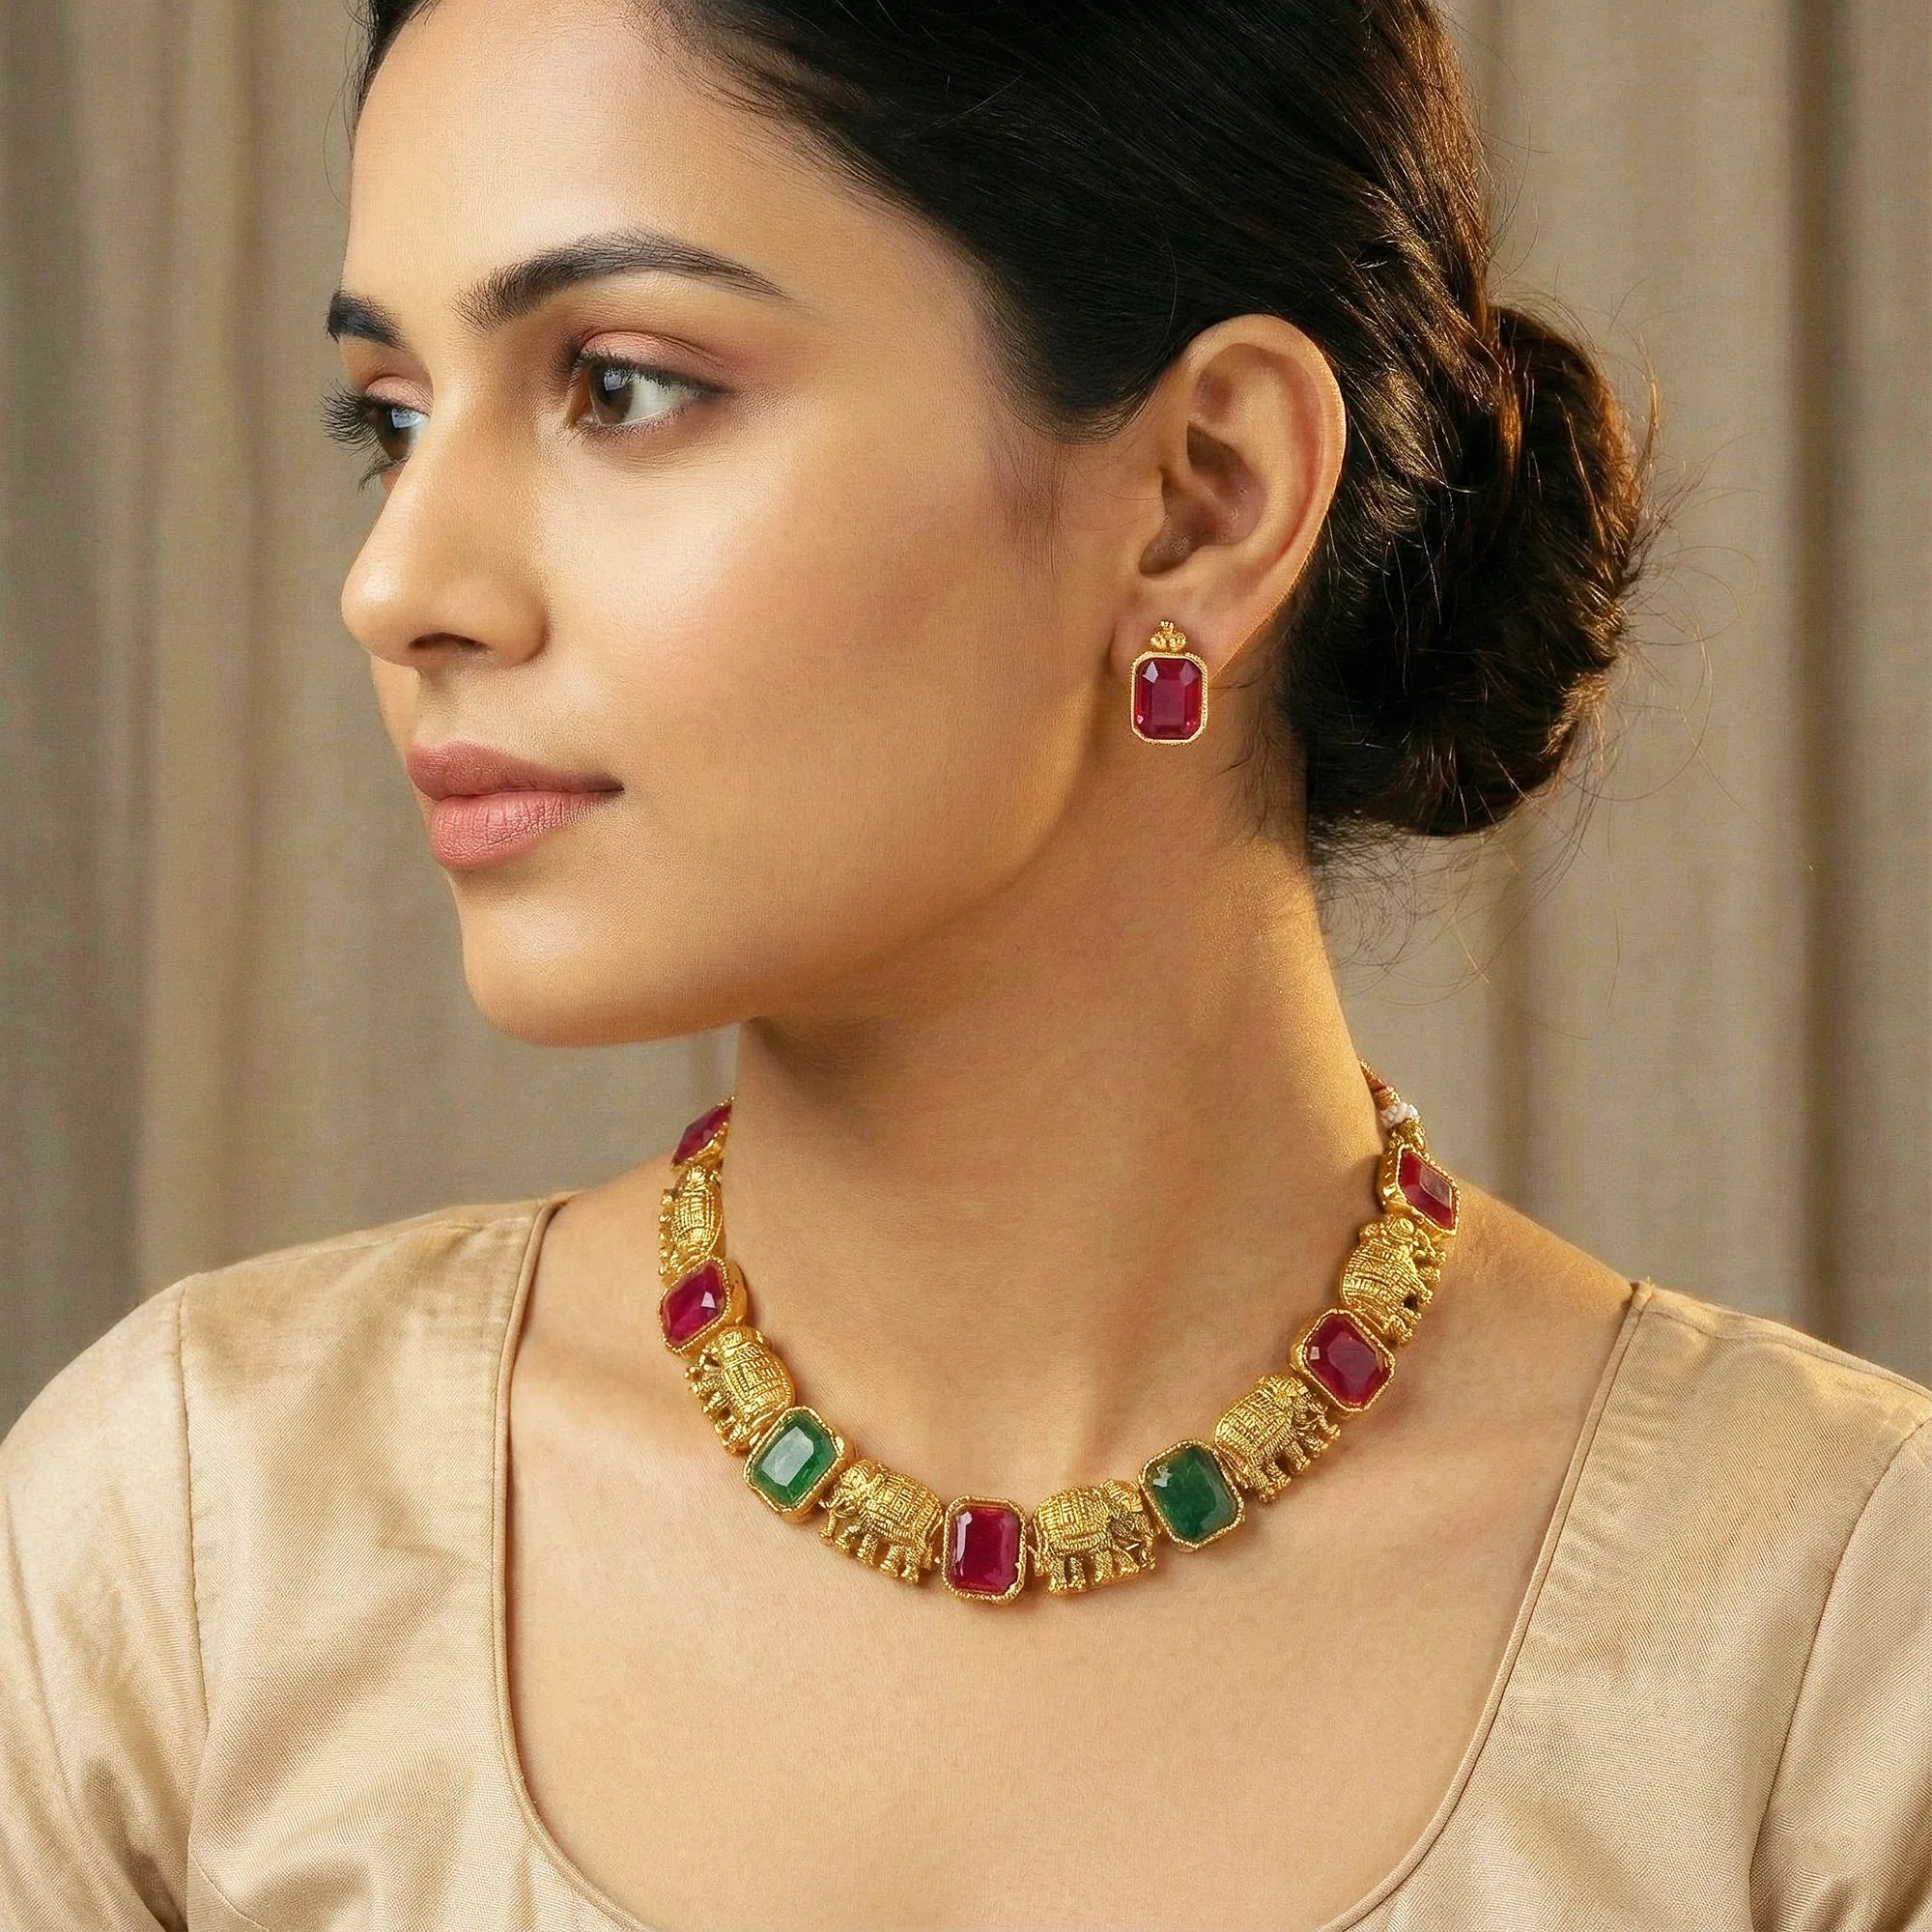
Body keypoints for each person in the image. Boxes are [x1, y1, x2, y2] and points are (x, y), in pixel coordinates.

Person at [4, 0, 1928, 1926]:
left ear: (1203, 496)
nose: (398, 584)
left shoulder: (1821, 1657)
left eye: (622, 386)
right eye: (392, 417)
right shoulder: (194, 1561)